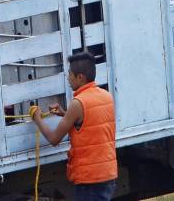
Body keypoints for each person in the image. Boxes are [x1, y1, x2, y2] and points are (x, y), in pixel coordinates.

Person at [31, 52, 117, 201]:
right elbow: (88, 123)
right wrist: (65, 114)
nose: (68, 78)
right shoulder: (106, 96)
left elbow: (54, 139)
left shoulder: (78, 103)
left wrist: (37, 119)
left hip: (90, 179)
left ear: (80, 77)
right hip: (108, 174)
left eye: (70, 74)